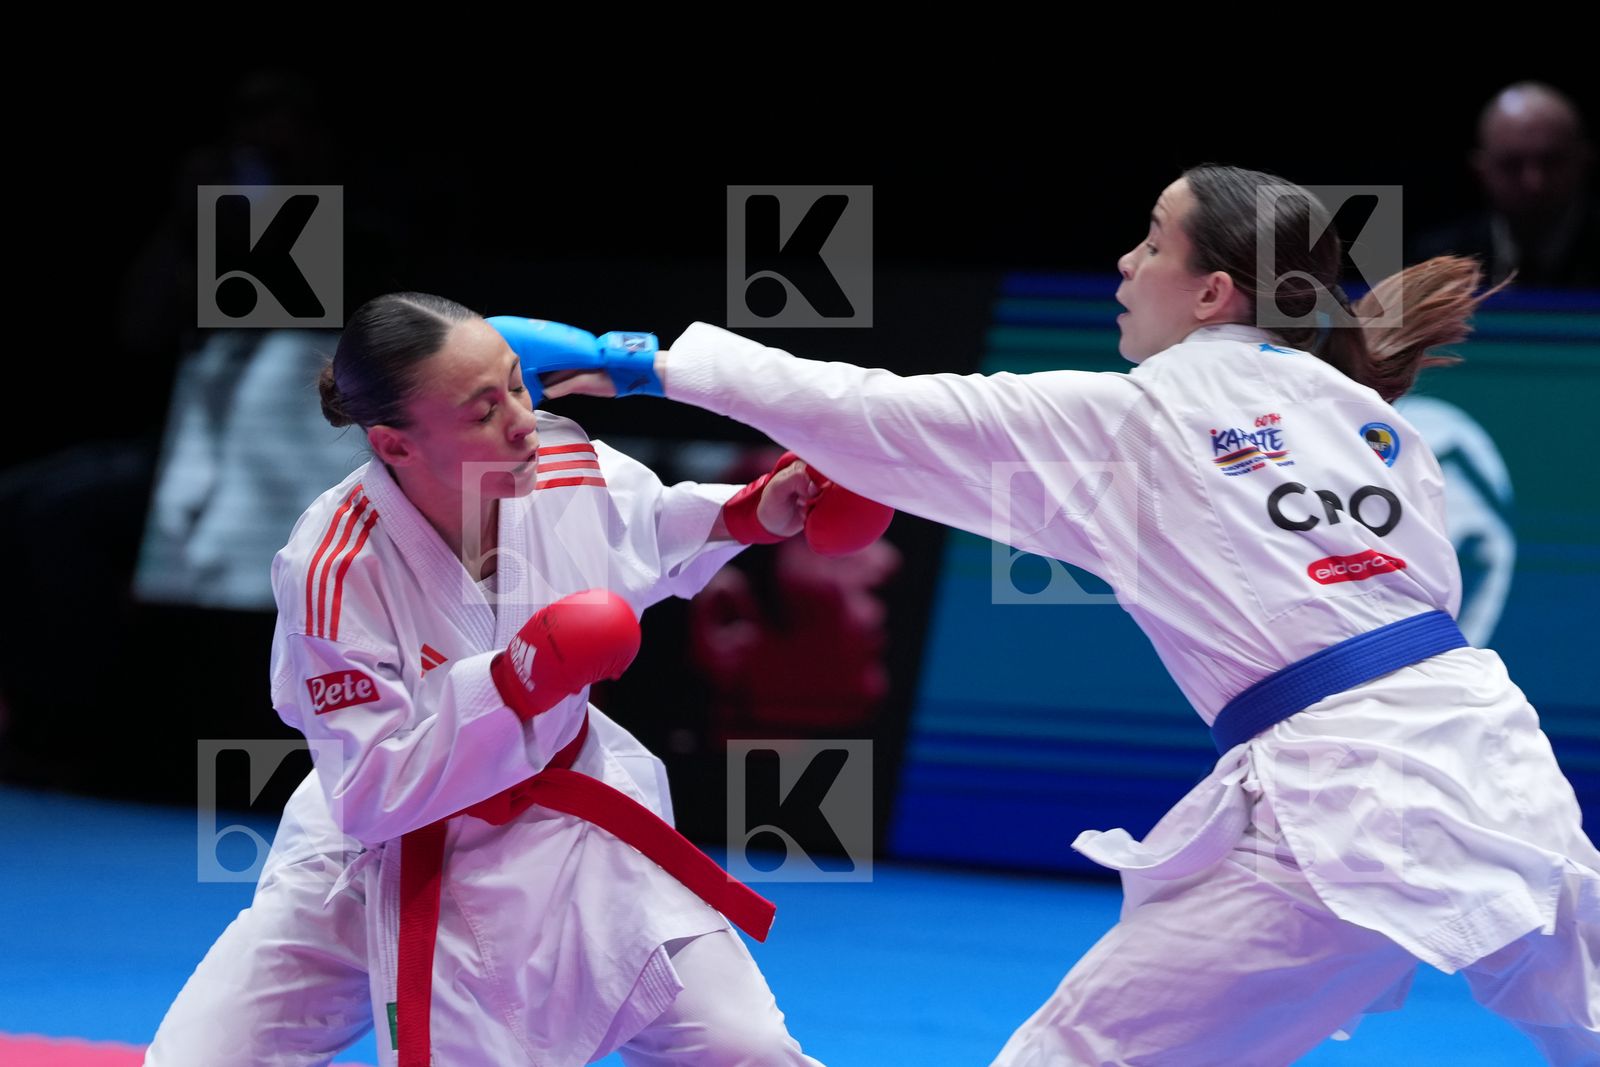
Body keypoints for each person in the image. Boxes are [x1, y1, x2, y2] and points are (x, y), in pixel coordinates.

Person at [546, 165, 1600, 1064]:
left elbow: (881, 413)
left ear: (1213, 293)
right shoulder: (1373, 423)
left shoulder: (1142, 415)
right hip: (1498, 765)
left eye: (1151, 243)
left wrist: (646, 362)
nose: (1124, 265)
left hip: (1337, 811)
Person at [145, 292, 846, 1066]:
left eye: (517, 384)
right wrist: (513, 681)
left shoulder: (562, 458)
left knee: (748, 1051)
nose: (521, 419)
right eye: (484, 410)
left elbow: (647, 524)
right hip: (385, 858)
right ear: (396, 444)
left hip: (576, 830)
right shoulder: (334, 568)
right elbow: (373, 788)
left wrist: (754, 511)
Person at [1411, 81, 1600, 288]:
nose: (1534, 183)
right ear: (1481, 170)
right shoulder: (1434, 263)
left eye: (1551, 161)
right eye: (1511, 164)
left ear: (1584, 161)